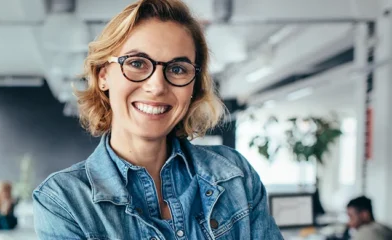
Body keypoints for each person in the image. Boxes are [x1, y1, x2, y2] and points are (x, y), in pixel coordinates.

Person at [32, 0, 283, 239]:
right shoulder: (64, 200)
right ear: (103, 75)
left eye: (177, 69)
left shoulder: (234, 175)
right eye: (137, 63)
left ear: (193, 85)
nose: (157, 86)